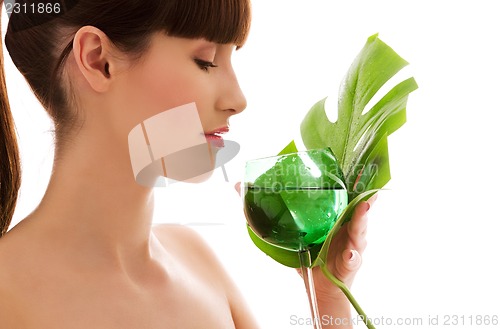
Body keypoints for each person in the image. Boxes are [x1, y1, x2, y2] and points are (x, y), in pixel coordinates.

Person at [0, 0, 376, 327]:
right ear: (99, 61)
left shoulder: (197, 262)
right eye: (206, 61)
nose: (238, 99)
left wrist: (328, 299)